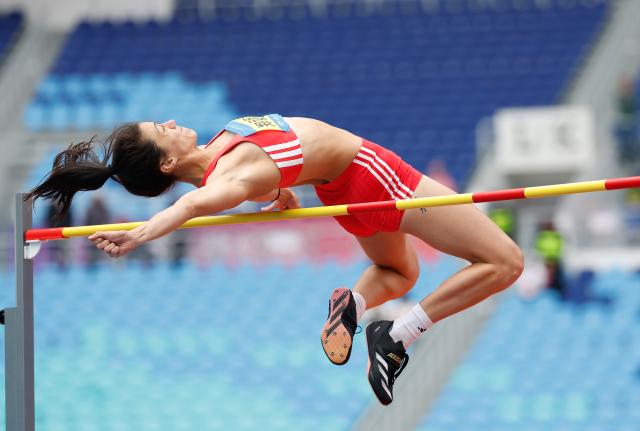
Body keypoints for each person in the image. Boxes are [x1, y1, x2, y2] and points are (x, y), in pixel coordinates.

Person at [26, 114, 524, 405]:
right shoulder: (227, 177)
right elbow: (194, 204)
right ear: (166, 163)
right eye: (162, 128)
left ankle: (353, 302)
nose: (172, 121)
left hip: (339, 189)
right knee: (506, 262)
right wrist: (141, 235)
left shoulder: (222, 151)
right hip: (370, 172)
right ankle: (396, 336)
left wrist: (282, 187)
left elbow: (276, 154)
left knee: (400, 273)